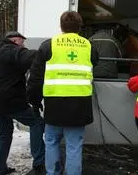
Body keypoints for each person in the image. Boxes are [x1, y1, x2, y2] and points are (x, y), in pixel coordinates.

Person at [27, 11, 98, 175]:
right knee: (74, 145)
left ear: (61, 26)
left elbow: (35, 78)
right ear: (80, 27)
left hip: (54, 106)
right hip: (80, 106)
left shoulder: (48, 45)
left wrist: (35, 102)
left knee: (51, 141)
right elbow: (95, 60)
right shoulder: (88, 46)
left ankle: (53, 173)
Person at [0, 31, 45, 175]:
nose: (23, 45)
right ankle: (39, 163)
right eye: (22, 42)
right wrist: (46, 51)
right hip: (11, 101)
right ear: (14, 40)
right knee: (36, 123)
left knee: (4, 134)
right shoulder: (13, 50)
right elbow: (32, 56)